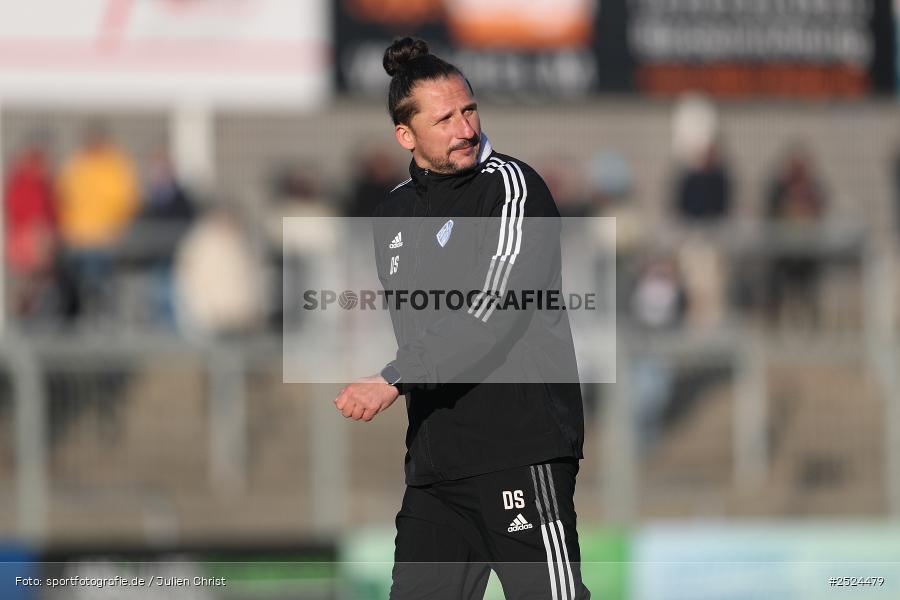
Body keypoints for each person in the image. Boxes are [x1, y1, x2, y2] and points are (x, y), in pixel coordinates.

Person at [333, 37, 590, 599]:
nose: (465, 129)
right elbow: (420, 325)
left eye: (469, 110)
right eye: (445, 118)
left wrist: (393, 377)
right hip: (437, 469)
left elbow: (491, 311)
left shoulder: (514, 188)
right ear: (406, 135)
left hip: (519, 453)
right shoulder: (393, 213)